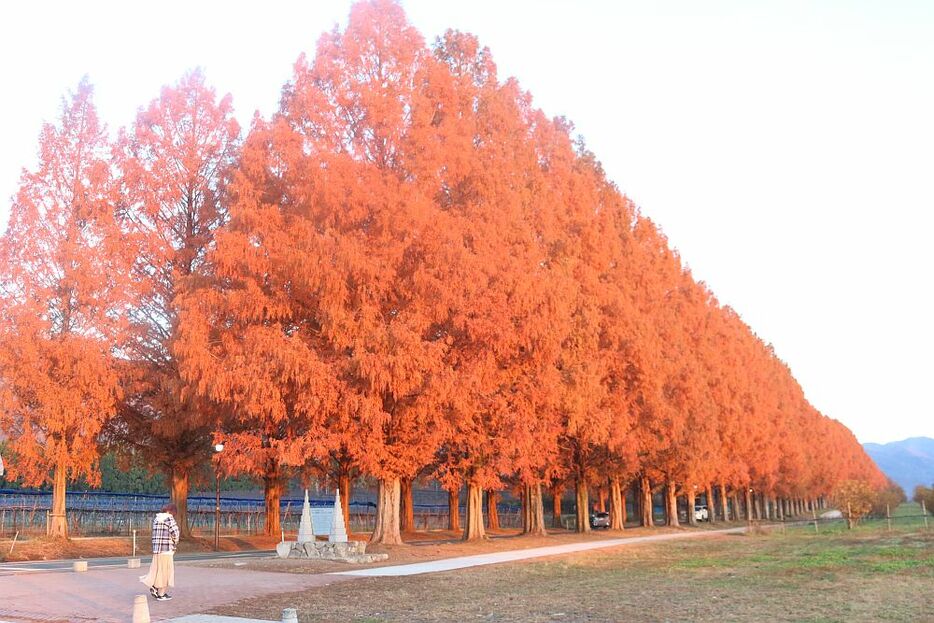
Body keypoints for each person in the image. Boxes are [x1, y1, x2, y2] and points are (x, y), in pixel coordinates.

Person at [140, 502, 180, 601]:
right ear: (172, 512)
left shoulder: (156, 519)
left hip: (157, 550)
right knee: (166, 572)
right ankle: (160, 593)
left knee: (157, 570)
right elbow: (176, 533)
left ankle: (155, 587)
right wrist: (174, 543)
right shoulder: (169, 519)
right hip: (166, 550)